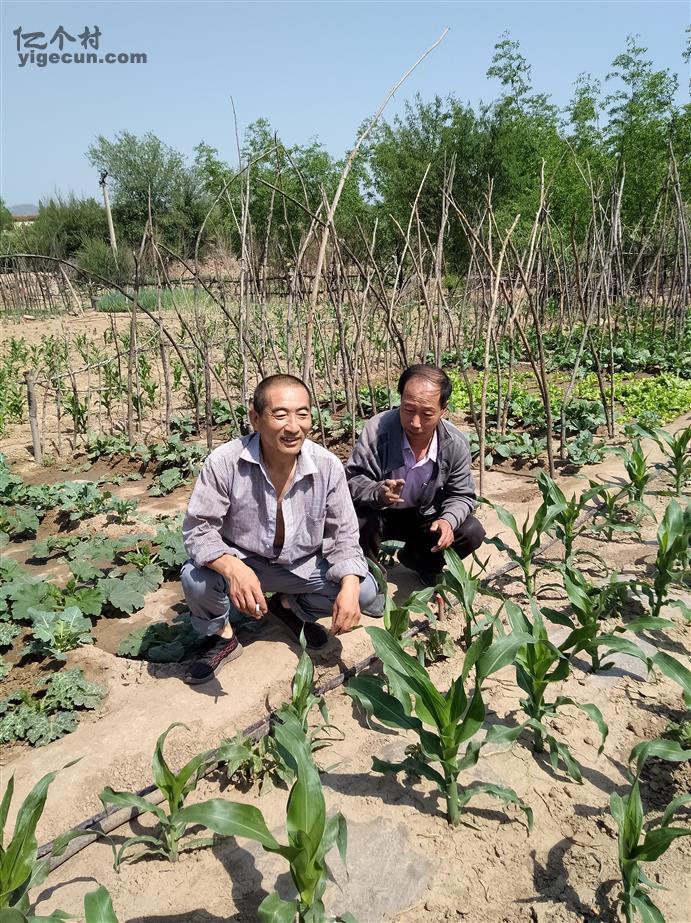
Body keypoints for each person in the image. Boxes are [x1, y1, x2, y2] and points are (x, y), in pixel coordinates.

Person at [180, 374, 379, 685]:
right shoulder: (225, 462)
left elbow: (343, 536)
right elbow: (197, 529)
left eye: (302, 414)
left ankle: (289, 607)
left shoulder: (327, 466)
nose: (293, 426)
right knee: (196, 579)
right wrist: (233, 568)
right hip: (244, 562)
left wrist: (351, 586)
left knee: (364, 591)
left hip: (302, 566)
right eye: (281, 414)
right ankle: (222, 637)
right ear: (255, 419)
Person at [345, 364, 485, 586]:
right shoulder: (377, 431)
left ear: (443, 410)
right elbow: (353, 479)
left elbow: (461, 495)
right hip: (381, 513)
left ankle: (421, 562)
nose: (415, 422)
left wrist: (447, 520)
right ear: (400, 401)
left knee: (471, 531)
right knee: (358, 518)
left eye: (427, 413)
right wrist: (378, 492)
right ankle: (371, 576)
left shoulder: (454, 443)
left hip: (426, 515)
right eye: (408, 409)